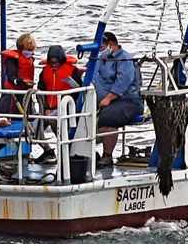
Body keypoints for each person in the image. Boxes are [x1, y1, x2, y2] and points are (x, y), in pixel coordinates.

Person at [91, 31, 143, 166]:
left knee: (108, 116)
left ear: (111, 44)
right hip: (98, 99)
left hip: (127, 101)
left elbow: (123, 82)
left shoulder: (124, 59)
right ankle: (82, 153)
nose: (99, 49)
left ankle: (107, 155)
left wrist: (108, 98)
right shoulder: (99, 59)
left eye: (101, 46)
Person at [33, 45, 82, 164]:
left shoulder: (72, 70)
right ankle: (48, 151)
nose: (54, 65)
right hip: (48, 108)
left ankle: (63, 144)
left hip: (66, 107)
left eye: (56, 62)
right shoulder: (45, 71)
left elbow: (79, 91)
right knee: (32, 130)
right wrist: (44, 108)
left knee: (52, 120)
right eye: (51, 62)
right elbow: (41, 90)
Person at [0, 33, 38, 117]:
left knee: (27, 114)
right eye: (27, 50)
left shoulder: (30, 59)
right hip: (12, 95)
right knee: (13, 117)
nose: (29, 52)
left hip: (25, 93)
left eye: (31, 50)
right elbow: (11, 78)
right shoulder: (12, 60)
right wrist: (22, 81)